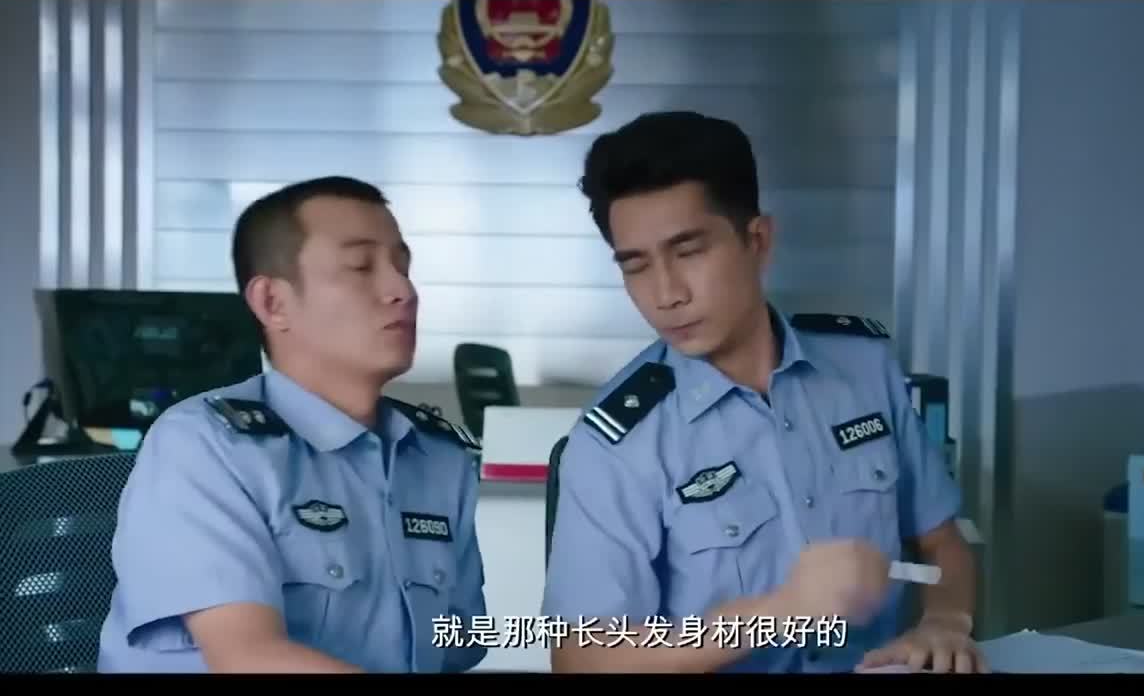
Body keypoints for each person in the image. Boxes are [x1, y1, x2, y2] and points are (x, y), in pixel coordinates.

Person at [541, 112, 986, 674]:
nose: (666, 294)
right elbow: (581, 657)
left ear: (757, 241)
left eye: (688, 252)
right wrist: (778, 610)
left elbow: (942, 543)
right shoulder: (616, 443)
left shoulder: (864, 368)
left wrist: (946, 620)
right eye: (636, 267)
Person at [97, 176, 488, 673]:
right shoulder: (204, 446)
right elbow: (248, 658)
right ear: (272, 303)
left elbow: (457, 646)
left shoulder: (437, 458)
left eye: (403, 267)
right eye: (360, 267)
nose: (403, 291)